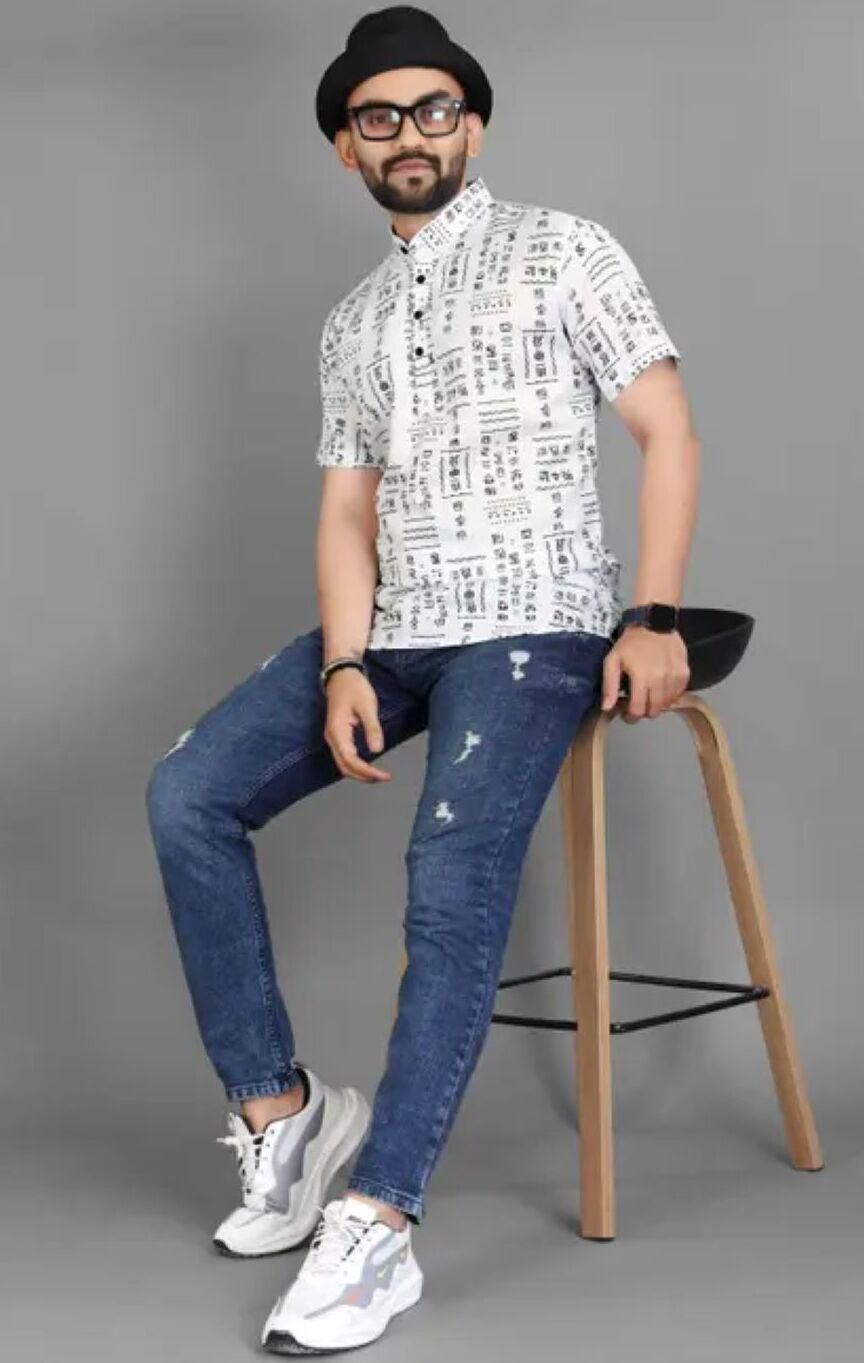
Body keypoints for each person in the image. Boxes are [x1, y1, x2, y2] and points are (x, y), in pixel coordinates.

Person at [146, 4, 699, 1354]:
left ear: (474, 125)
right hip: (395, 629)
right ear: (347, 147)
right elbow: (348, 512)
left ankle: (378, 1223)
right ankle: (284, 1116)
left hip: (534, 624)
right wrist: (345, 661)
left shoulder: (563, 248)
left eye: (433, 109)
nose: (410, 134)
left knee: (448, 883)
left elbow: (666, 428)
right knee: (187, 794)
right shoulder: (351, 323)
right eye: (378, 116)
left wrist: (652, 614)